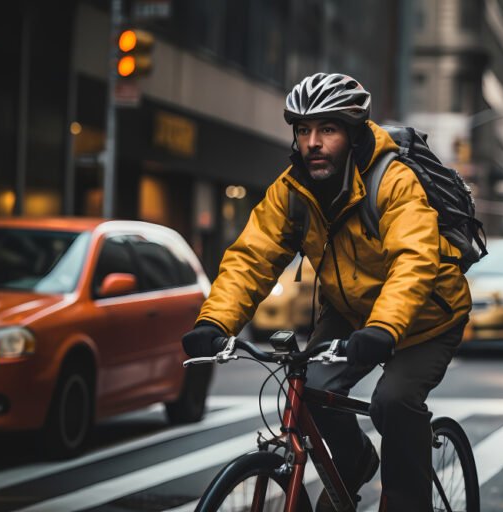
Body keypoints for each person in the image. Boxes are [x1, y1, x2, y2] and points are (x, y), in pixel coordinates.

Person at [181, 72, 472, 511]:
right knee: (308, 390)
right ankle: (354, 464)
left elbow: (414, 261)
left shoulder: (392, 181)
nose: (312, 142)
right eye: (303, 130)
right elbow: (252, 256)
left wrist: (384, 329)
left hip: (427, 314)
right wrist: (215, 320)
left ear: (352, 135)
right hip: (351, 310)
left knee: (392, 402)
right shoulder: (292, 190)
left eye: (327, 129)